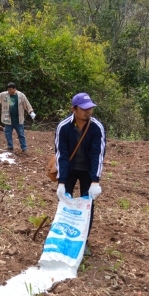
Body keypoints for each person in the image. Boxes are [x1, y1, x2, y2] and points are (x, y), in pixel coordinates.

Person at [55, 93, 106, 255]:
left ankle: (83, 240)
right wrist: (61, 182)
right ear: (74, 109)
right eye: (84, 109)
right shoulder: (64, 127)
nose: (88, 111)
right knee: (64, 202)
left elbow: (98, 154)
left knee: (88, 205)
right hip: (69, 170)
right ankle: (62, 236)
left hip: (87, 171)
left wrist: (95, 181)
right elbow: (61, 155)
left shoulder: (97, 127)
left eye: (90, 108)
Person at [0, 82, 36, 153]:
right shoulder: (5, 95)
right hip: (8, 119)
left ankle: (24, 148)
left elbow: (27, 104)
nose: (9, 91)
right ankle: (10, 146)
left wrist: (31, 112)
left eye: (11, 89)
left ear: (14, 89)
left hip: (18, 120)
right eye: (8, 89)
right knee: (7, 133)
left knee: (21, 134)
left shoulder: (21, 96)